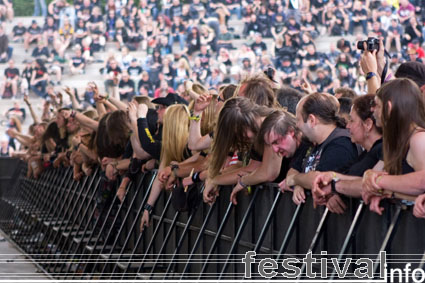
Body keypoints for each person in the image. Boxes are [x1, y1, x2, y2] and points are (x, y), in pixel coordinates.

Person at [280, 92, 359, 205]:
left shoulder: (341, 144)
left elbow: (319, 181)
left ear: (312, 120)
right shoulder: (309, 141)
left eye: (298, 120)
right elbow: (292, 170)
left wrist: (295, 179)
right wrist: (298, 184)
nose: (297, 125)